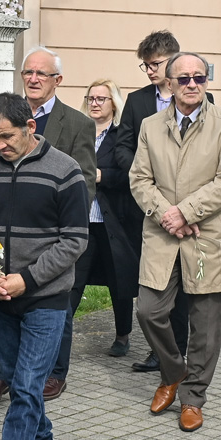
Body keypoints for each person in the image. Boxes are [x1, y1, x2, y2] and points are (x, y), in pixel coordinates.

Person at [0, 93, 88, 440]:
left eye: (6, 136)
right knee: (21, 384)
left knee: (25, 388)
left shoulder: (65, 171)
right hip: (0, 298)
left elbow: (75, 240)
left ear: (30, 128)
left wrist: (28, 279)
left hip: (46, 300)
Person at [130, 52, 221, 432]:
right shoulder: (150, 126)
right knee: (149, 311)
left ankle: (193, 397)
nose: (192, 84)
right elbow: (139, 179)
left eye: (199, 77)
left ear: (207, 81)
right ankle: (173, 371)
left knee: (206, 326)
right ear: (170, 83)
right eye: (183, 78)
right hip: (162, 234)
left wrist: (187, 212)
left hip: (208, 236)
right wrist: (168, 214)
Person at [0, 46, 95, 403]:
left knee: (31, 382)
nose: (32, 78)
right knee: (21, 381)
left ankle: (55, 373)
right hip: (5, 263)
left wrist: (67, 222)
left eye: (40, 73)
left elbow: (84, 182)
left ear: (57, 80)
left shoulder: (76, 125)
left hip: (52, 246)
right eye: (27, 72)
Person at [113, 30, 190, 373]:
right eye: (145, 65)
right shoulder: (137, 101)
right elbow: (122, 147)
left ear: (173, 60)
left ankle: (178, 352)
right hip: (147, 206)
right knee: (153, 285)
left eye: (155, 64)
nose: (149, 71)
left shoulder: (197, 96)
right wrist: (144, 173)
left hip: (186, 209)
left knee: (183, 287)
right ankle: (158, 351)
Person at [70, 80, 137, 356]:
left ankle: (123, 335)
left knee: (118, 279)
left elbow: (133, 173)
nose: (95, 103)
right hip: (82, 219)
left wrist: (103, 176)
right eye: (91, 98)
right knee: (74, 279)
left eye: (101, 99)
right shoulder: (79, 131)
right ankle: (59, 332)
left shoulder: (121, 135)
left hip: (113, 220)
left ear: (114, 103)